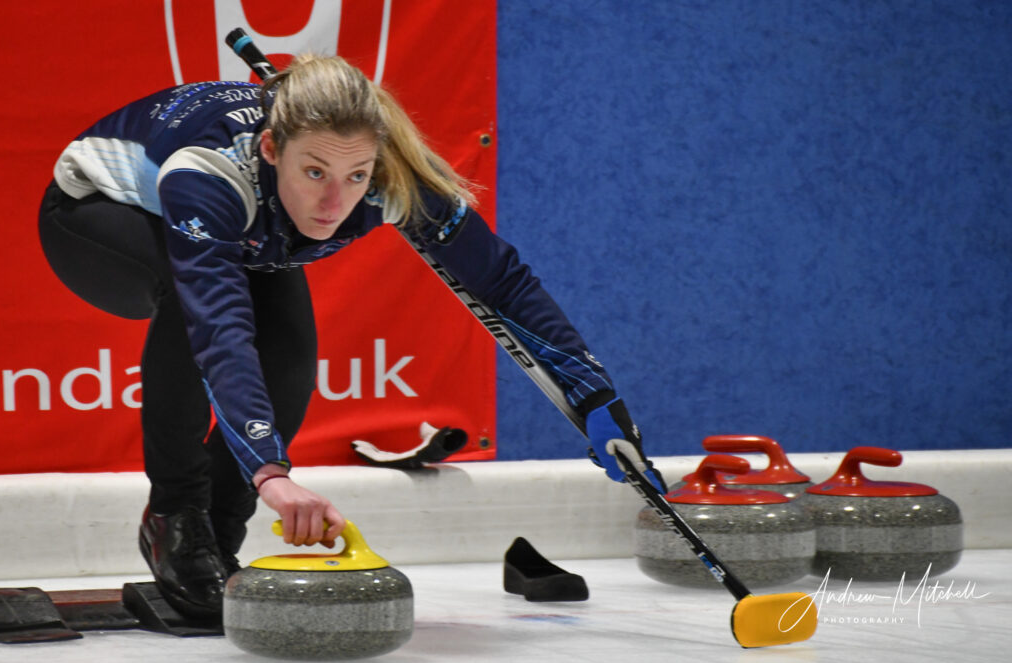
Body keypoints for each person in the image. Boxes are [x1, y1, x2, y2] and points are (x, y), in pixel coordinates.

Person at [39, 55, 665, 619]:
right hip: (96, 215)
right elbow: (219, 334)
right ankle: (175, 518)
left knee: (290, 356)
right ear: (271, 148)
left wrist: (598, 399)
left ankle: (219, 530)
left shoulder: (394, 175)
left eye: (356, 176)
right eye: (315, 171)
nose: (334, 202)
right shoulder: (208, 171)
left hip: (255, 226)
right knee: (192, 306)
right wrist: (272, 474)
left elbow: (503, 281)